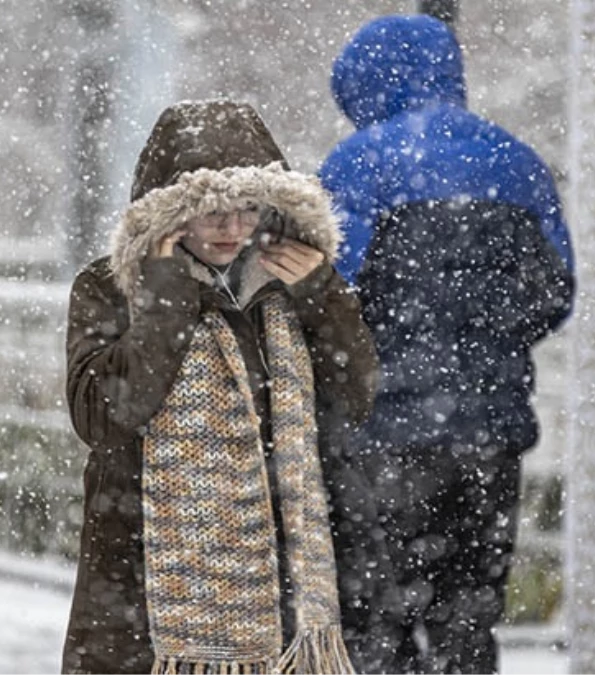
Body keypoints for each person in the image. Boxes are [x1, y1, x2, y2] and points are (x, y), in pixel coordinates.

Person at [61, 99, 378, 675]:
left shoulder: (290, 282)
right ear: (169, 215)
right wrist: (165, 297)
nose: (233, 229)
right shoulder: (110, 288)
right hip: (141, 585)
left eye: (248, 209)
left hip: (275, 587)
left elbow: (357, 395)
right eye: (212, 213)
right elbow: (104, 416)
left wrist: (323, 296)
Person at [319, 14, 576, 674]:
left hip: (386, 438)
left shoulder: (359, 165)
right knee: (468, 618)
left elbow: (328, 298)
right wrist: (479, 350)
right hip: (490, 435)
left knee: (379, 619)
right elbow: (553, 294)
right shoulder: (520, 165)